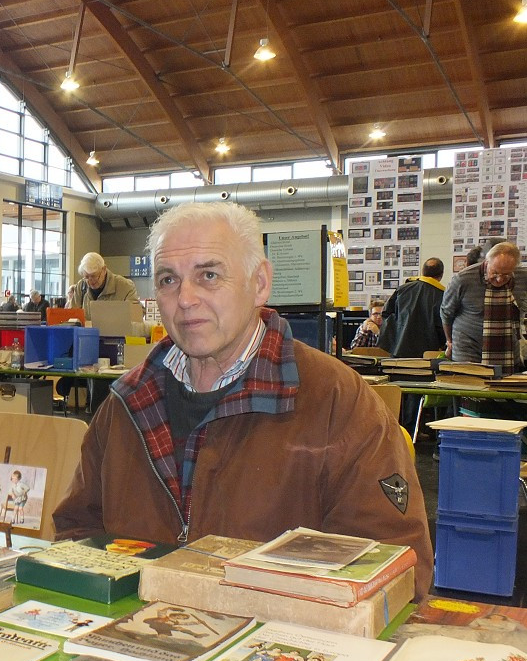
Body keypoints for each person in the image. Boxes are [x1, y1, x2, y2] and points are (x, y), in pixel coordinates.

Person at [53, 202, 433, 599]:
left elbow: (396, 571)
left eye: (209, 275)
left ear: (260, 283)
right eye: (168, 280)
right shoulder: (127, 404)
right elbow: (78, 531)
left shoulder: (340, 404)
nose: (185, 298)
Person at [441, 241, 527, 372]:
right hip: (468, 349)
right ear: (487, 263)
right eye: (495, 272)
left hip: (507, 348)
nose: (499, 279)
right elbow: (446, 313)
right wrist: (449, 341)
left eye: (506, 275)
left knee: (505, 388)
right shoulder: (463, 279)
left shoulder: (523, 277)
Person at [377, 258, 445, 357]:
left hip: (398, 351)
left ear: (423, 272)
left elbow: (386, 315)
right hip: (427, 355)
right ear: (441, 275)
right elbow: (442, 325)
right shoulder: (442, 295)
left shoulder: (402, 289)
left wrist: (393, 343)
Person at [67, 252, 140, 314]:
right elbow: (72, 316)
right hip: (88, 330)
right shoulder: (81, 286)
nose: (90, 280)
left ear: (104, 270)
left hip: (116, 330)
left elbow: (136, 315)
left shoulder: (125, 286)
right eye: (86, 277)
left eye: (94, 276)